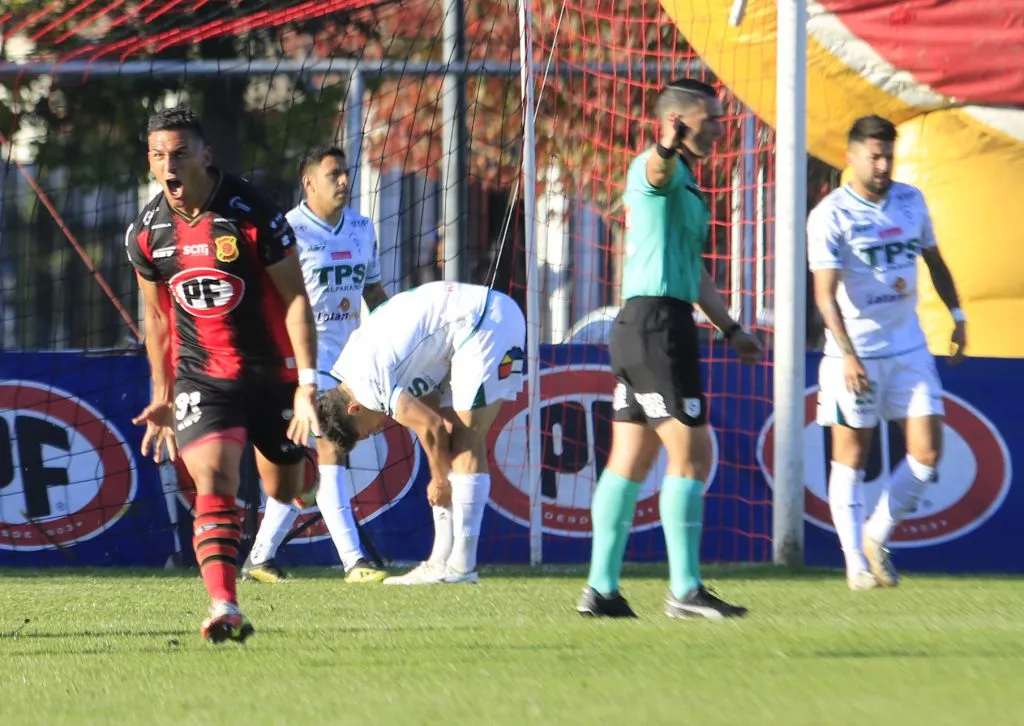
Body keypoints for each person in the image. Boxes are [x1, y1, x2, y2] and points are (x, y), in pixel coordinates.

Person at [126, 107, 320, 643]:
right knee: (214, 480)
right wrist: (162, 394)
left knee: (288, 484)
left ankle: (305, 470)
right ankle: (224, 605)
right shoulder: (146, 232)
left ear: (206, 157)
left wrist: (307, 385)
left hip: (270, 375)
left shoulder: (253, 212)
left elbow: (295, 299)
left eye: (180, 153)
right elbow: (159, 317)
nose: (169, 165)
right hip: (202, 378)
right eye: (159, 155)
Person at [577, 79, 762, 620]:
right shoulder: (654, 167)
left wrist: (730, 327)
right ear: (680, 122)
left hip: (650, 323)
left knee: (630, 459)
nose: (721, 129)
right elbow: (654, 171)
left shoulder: (690, 185)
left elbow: (694, 269)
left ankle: (601, 590)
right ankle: (685, 591)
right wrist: (665, 145)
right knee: (693, 454)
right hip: (656, 327)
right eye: (713, 120)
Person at [808, 114, 966, 590]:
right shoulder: (831, 214)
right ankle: (855, 561)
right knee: (850, 459)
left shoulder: (910, 201)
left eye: (888, 156)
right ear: (850, 157)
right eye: (874, 156)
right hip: (853, 354)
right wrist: (848, 353)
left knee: (927, 452)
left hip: (909, 348)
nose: (882, 165)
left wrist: (958, 317)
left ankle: (877, 535)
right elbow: (824, 294)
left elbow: (934, 261)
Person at [241, 145, 390, 585]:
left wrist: (390, 330)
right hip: (296, 366)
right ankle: (354, 561)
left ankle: (260, 558)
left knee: (305, 468)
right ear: (309, 183)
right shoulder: (287, 232)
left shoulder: (362, 228)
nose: (344, 181)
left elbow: (374, 293)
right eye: (333, 175)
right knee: (331, 453)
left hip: (347, 364)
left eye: (346, 174)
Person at [316, 280, 525, 585]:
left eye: (364, 434)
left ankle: (462, 566)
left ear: (354, 409)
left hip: (484, 323)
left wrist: (439, 480)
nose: (376, 432)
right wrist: (438, 474)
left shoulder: (366, 382)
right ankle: (441, 560)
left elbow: (431, 427)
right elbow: (431, 412)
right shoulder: (355, 363)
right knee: (454, 442)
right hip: (474, 324)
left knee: (466, 442)